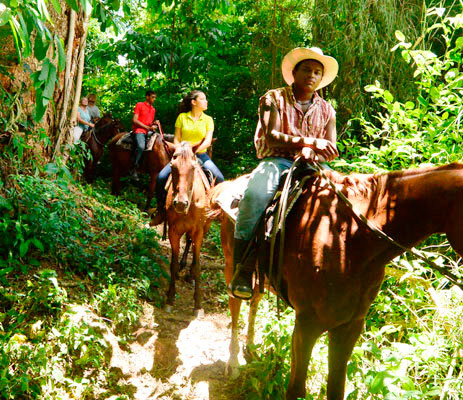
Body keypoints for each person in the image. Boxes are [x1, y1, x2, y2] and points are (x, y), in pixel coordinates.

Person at [229, 47, 340, 300]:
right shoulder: (273, 98)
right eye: (306, 70)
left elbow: (330, 147)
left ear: (321, 78)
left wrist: (316, 153)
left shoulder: (327, 110)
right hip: (277, 161)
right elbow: (272, 135)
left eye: (317, 72)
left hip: (313, 164)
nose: (312, 75)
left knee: (341, 195)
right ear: (294, 73)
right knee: (255, 197)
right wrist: (310, 143)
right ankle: (243, 270)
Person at [150, 90, 224, 226]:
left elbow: (207, 140)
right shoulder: (182, 117)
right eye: (202, 99)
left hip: (200, 154)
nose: (206, 101)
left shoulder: (208, 120)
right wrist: (181, 150)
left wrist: (194, 149)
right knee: (161, 178)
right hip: (182, 155)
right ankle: (161, 211)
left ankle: (214, 213)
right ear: (193, 102)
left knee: (220, 178)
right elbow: (177, 138)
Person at [131, 90, 160, 179]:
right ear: (147, 97)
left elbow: (149, 123)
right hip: (139, 130)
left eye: (155, 97)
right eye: (152, 97)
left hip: (148, 131)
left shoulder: (153, 109)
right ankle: (133, 167)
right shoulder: (140, 105)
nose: (154, 99)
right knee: (141, 146)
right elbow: (134, 120)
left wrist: (154, 124)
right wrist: (147, 128)